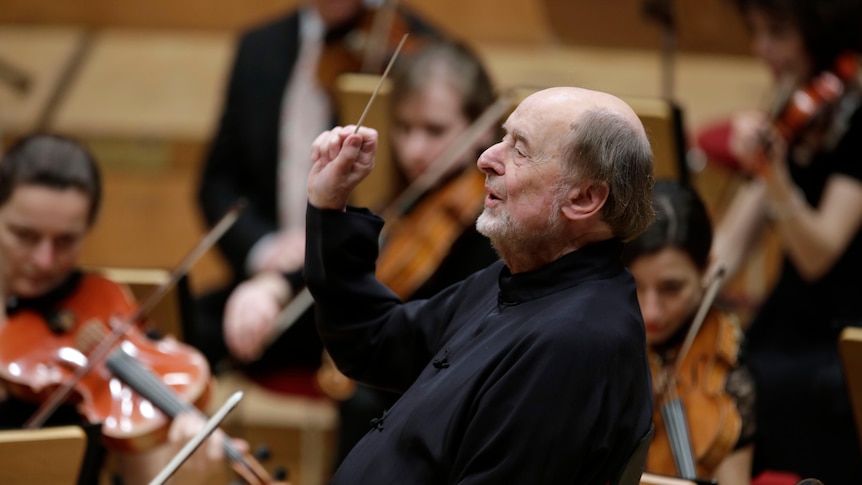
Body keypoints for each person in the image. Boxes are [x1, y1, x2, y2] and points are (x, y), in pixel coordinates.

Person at [304, 86, 655, 483]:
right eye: (503, 137)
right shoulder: (523, 276)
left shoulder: (574, 343)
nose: (486, 158)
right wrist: (329, 206)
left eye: (519, 150)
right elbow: (375, 343)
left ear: (585, 198)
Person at [192, 0, 440, 374]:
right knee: (186, 329)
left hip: (370, 285)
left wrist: (317, 249)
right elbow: (217, 183)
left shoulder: (419, 47)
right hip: (271, 276)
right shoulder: (259, 46)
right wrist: (265, 250)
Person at [0, 134, 242, 485]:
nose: (44, 260)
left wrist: (184, 471)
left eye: (66, 240)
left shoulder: (110, 316)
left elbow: (142, 476)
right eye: (24, 235)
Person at [709, 0, 862, 482]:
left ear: (820, 32)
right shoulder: (797, 104)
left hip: (843, 331)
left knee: (759, 390)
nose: (762, 49)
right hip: (790, 317)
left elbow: (819, 254)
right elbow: (730, 246)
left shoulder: (859, 118)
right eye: (755, 33)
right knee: (720, 371)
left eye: (776, 33)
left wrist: (775, 178)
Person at [330, 39, 501, 464]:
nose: (413, 150)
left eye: (435, 130)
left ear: (483, 126)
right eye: (404, 128)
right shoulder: (406, 200)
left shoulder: (487, 223)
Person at [622, 179, 756, 484]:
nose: (651, 311)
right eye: (635, 286)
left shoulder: (728, 375)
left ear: (706, 269)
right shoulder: (597, 343)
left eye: (671, 288)